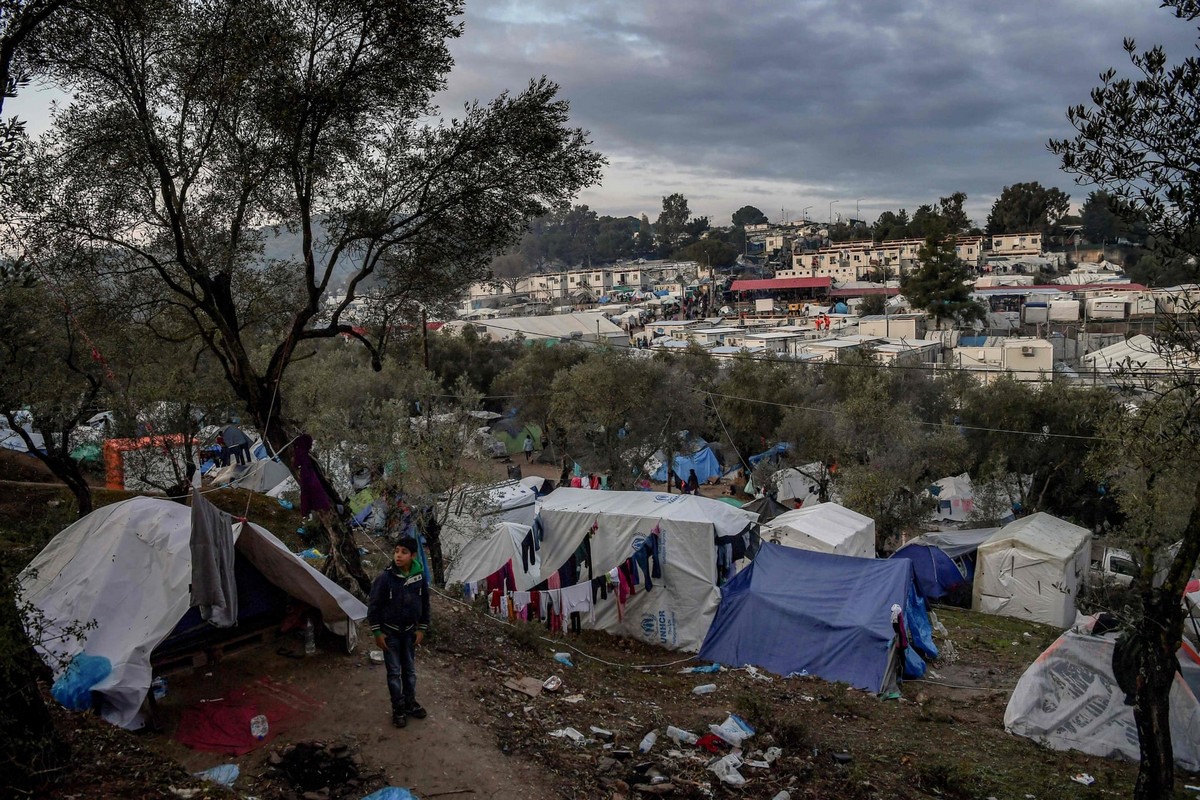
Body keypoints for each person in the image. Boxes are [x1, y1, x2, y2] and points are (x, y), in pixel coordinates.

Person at [368, 536, 430, 728]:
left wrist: (422, 628)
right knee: (394, 673)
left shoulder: (419, 578)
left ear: (413, 555)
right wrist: (377, 632)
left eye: (403, 552)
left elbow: (425, 604)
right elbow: (374, 605)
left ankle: (410, 703)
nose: (398, 556)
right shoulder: (385, 578)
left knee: (410, 672)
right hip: (391, 634)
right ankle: (398, 708)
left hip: (410, 633)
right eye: (396, 551)